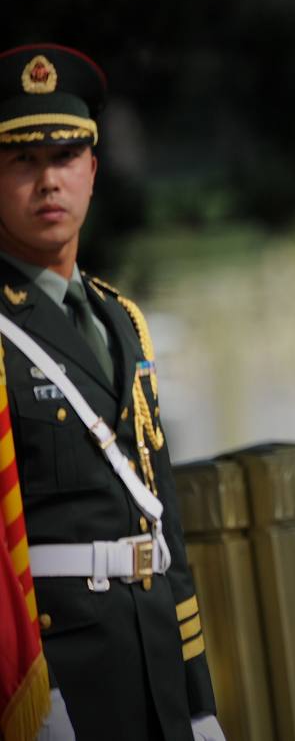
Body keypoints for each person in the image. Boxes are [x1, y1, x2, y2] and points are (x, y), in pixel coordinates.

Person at [0, 45, 223, 740]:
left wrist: (199, 701)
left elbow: (165, 527)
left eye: (65, 159)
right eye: (22, 163)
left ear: (92, 171)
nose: (48, 184)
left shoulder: (121, 320)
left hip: (152, 657)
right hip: (60, 678)